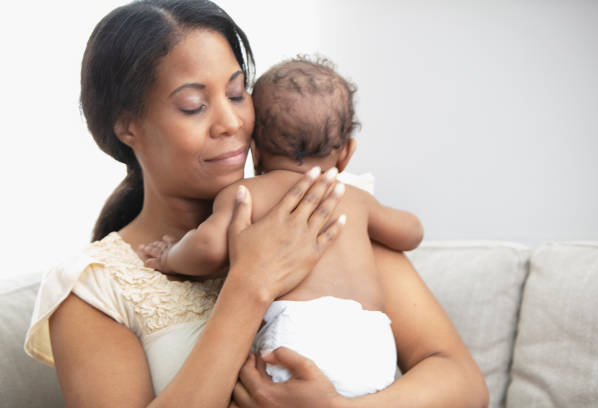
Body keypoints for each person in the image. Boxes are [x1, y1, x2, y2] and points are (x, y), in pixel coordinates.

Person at [24, 1, 489, 407]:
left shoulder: (321, 206)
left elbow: (462, 383)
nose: (230, 122)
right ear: (129, 127)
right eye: (192, 105)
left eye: (235, 93)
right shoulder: (92, 288)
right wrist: (251, 283)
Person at [139, 56, 424, 397]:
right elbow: (410, 233)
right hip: (371, 349)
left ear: (254, 152)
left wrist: (170, 256)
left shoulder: (246, 195)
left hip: (298, 339)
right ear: (346, 153)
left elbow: (210, 248)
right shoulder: (355, 199)